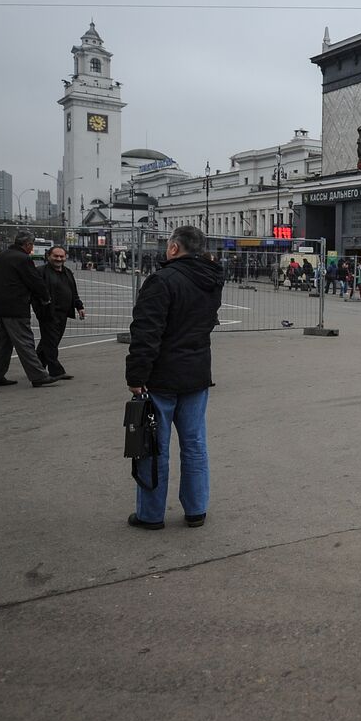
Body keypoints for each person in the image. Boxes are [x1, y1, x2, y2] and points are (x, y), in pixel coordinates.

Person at [124, 226, 224, 531]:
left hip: (162, 376)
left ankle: (151, 514)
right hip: (196, 374)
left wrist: (136, 374)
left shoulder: (161, 281)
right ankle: (196, 509)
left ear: (173, 248)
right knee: (194, 444)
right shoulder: (212, 280)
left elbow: (146, 332)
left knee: (154, 445)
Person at [0, 231, 58, 388]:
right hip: (16, 307)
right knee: (25, 342)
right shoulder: (23, 258)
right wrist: (45, 298)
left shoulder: (1, 256)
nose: (32, 248)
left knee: (2, 344)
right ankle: (38, 376)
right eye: (31, 245)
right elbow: (35, 281)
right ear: (28, 245)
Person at [35, 245, 86, 381]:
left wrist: (79, 307)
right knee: (51, 342)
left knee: (50, 341)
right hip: (47, 313)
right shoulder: (41, 272)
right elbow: (35, 292)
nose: (59, 259)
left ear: (65, 257)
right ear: (48, 256)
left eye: (61, 256)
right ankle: (56, 371)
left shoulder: (67, 272)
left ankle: (36, 367)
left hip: (63, 313)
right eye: (55, 256)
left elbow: (73, 291)